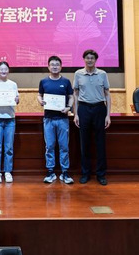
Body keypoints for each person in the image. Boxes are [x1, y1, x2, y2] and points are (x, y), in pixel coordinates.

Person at [73, 49, 110, 186]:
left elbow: (107, 94)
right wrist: (76, 114)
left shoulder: (102, 74)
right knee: (84, 143)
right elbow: (75, 94)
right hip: (83, 109)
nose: (89, 60)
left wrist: (108, 115)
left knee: (100, 143)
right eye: (87, 58)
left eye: (92, 58)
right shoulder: (78, 74)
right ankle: (85, 173)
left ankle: (101, 174)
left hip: (99, 108)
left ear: (95, 60)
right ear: (84, 59)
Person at [37, 55, 74, 185]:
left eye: (57, 64)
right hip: (48, 119)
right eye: (52, 64)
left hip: (63, 119)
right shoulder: (43, 82)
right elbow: (39, 95)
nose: (54, 67)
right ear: (48, 66)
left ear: (61, 66)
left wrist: (68, 107)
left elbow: (71, 96)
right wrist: (41, 101)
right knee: (50, 146)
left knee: (64, 146)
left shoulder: (66, 81)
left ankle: (65, 172)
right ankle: (50, 171)